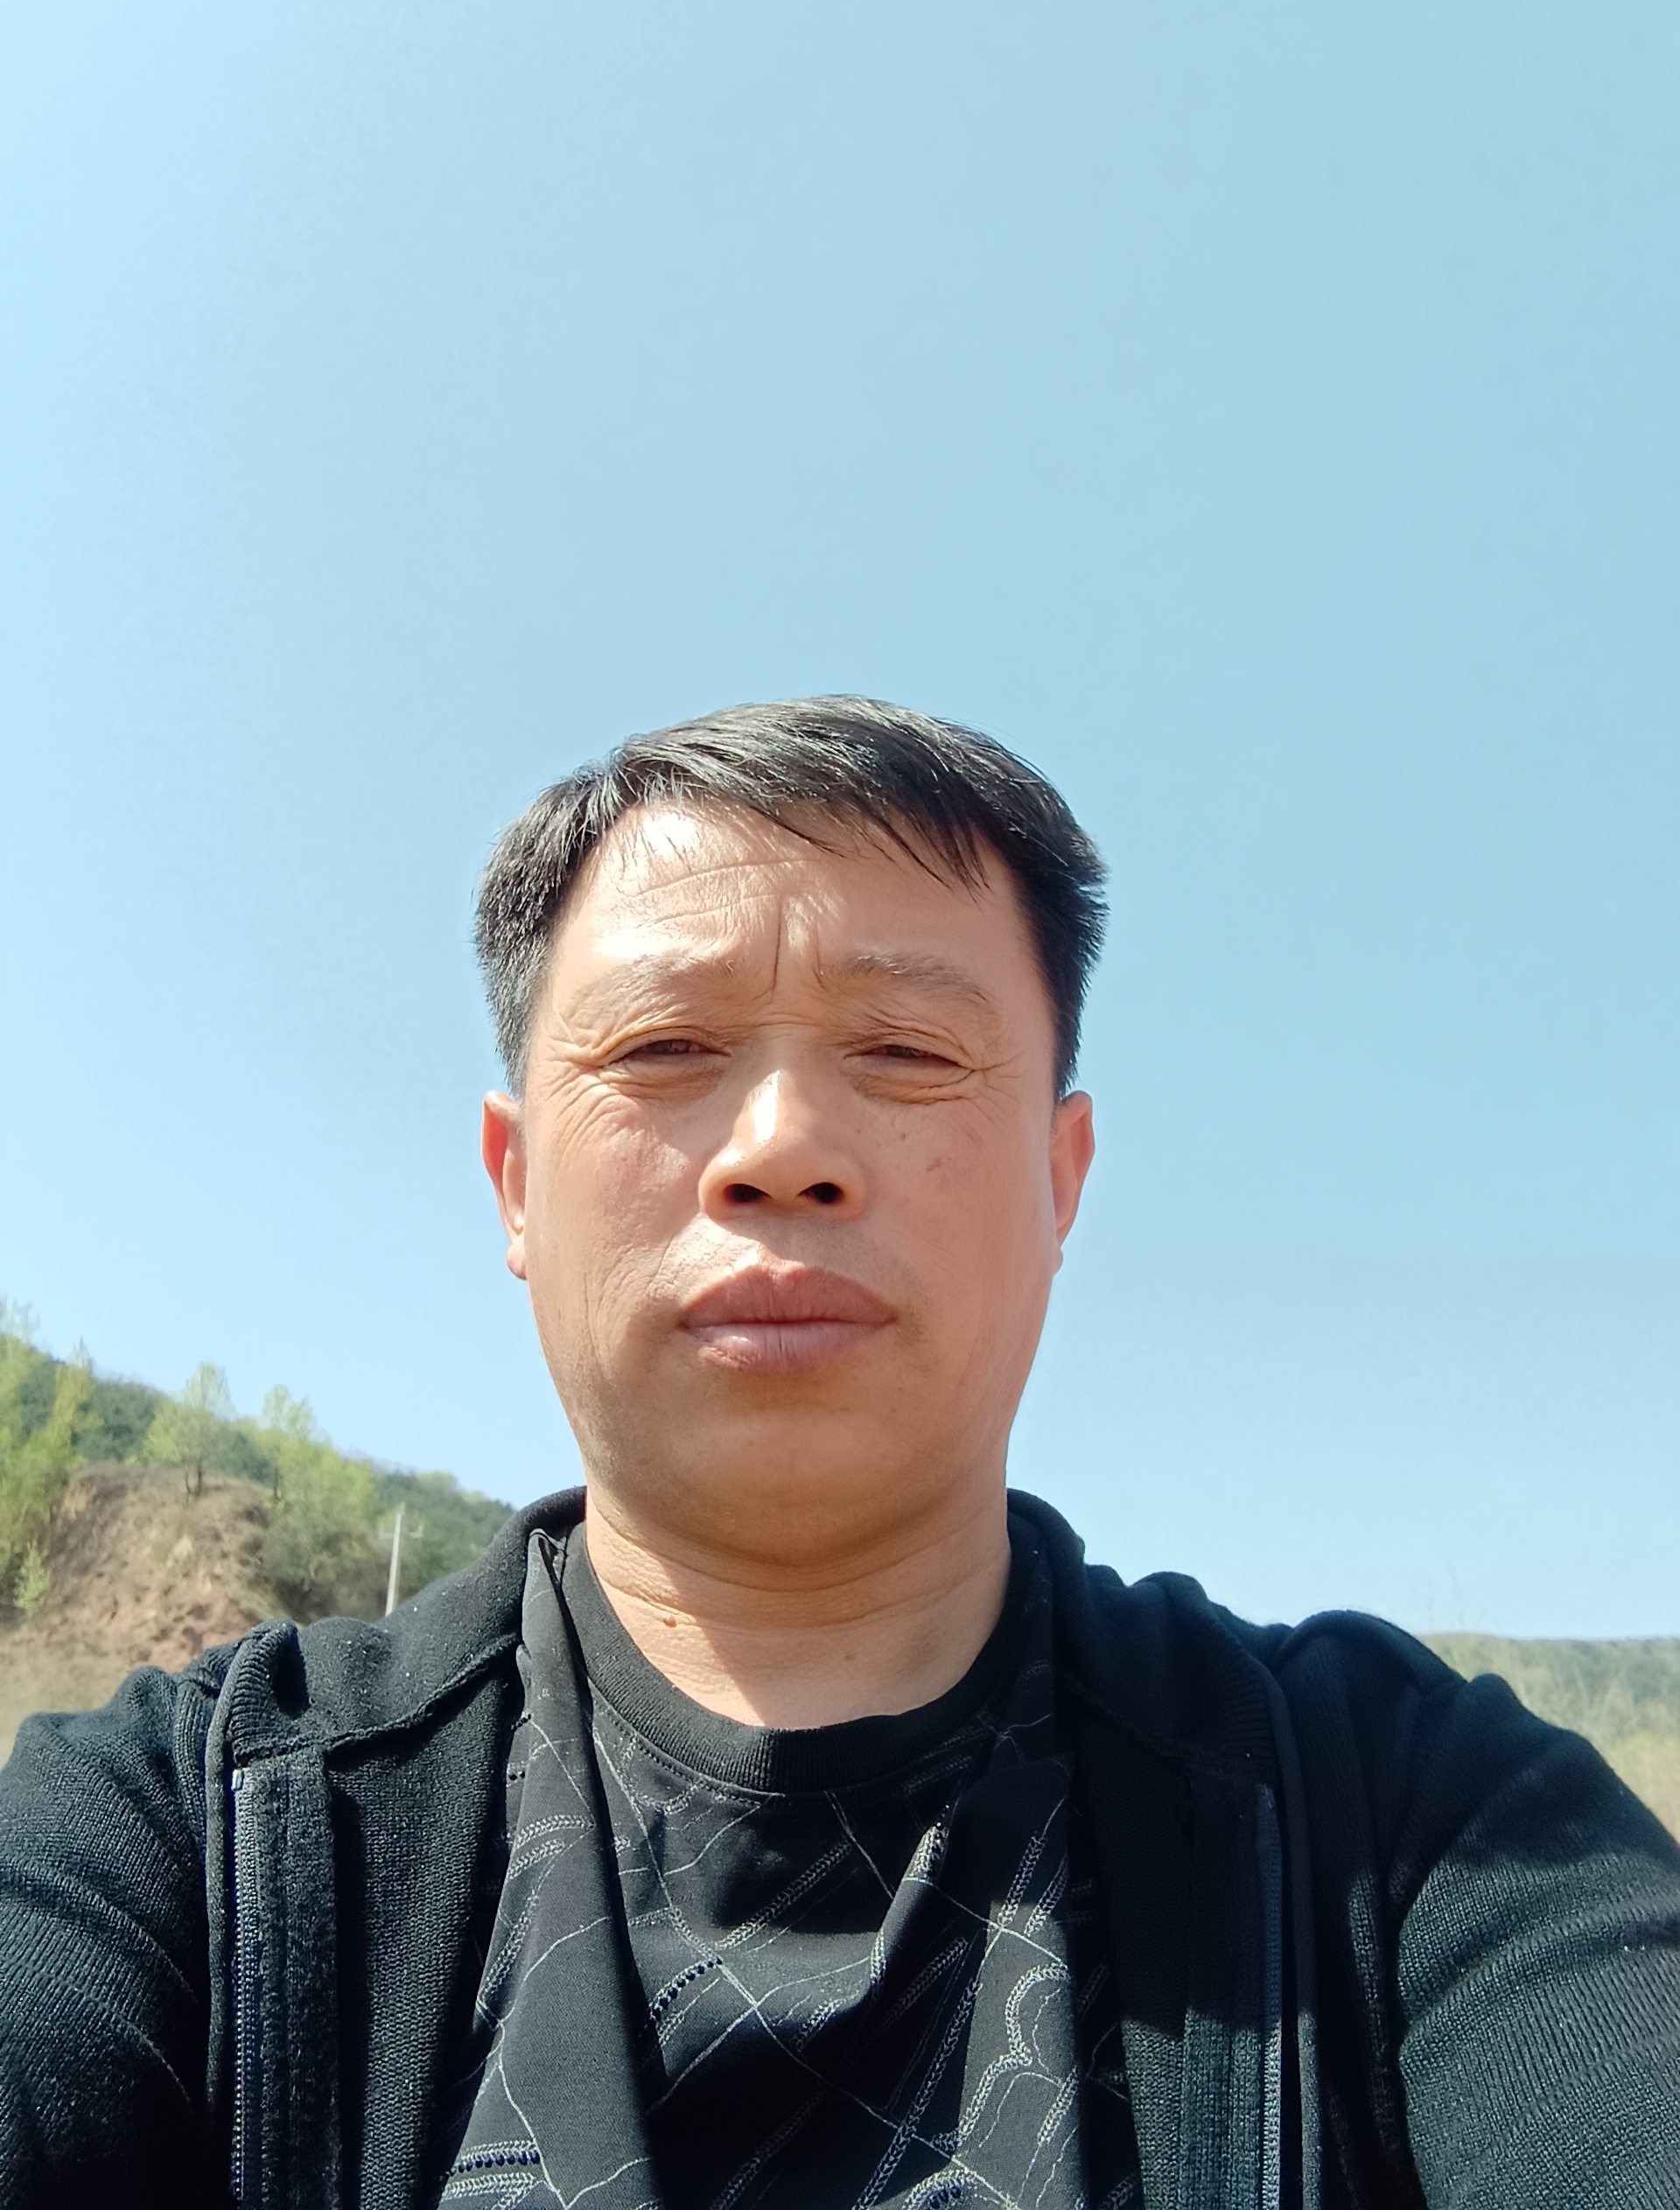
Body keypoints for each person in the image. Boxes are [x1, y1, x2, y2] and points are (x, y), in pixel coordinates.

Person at [1, 698, 1676, 2210]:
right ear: (515, 1182)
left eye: (907, 1052)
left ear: (1062, 1179)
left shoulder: (1413, 1825)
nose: (785, 1147)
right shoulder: (193, 1839)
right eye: (664, 1050)